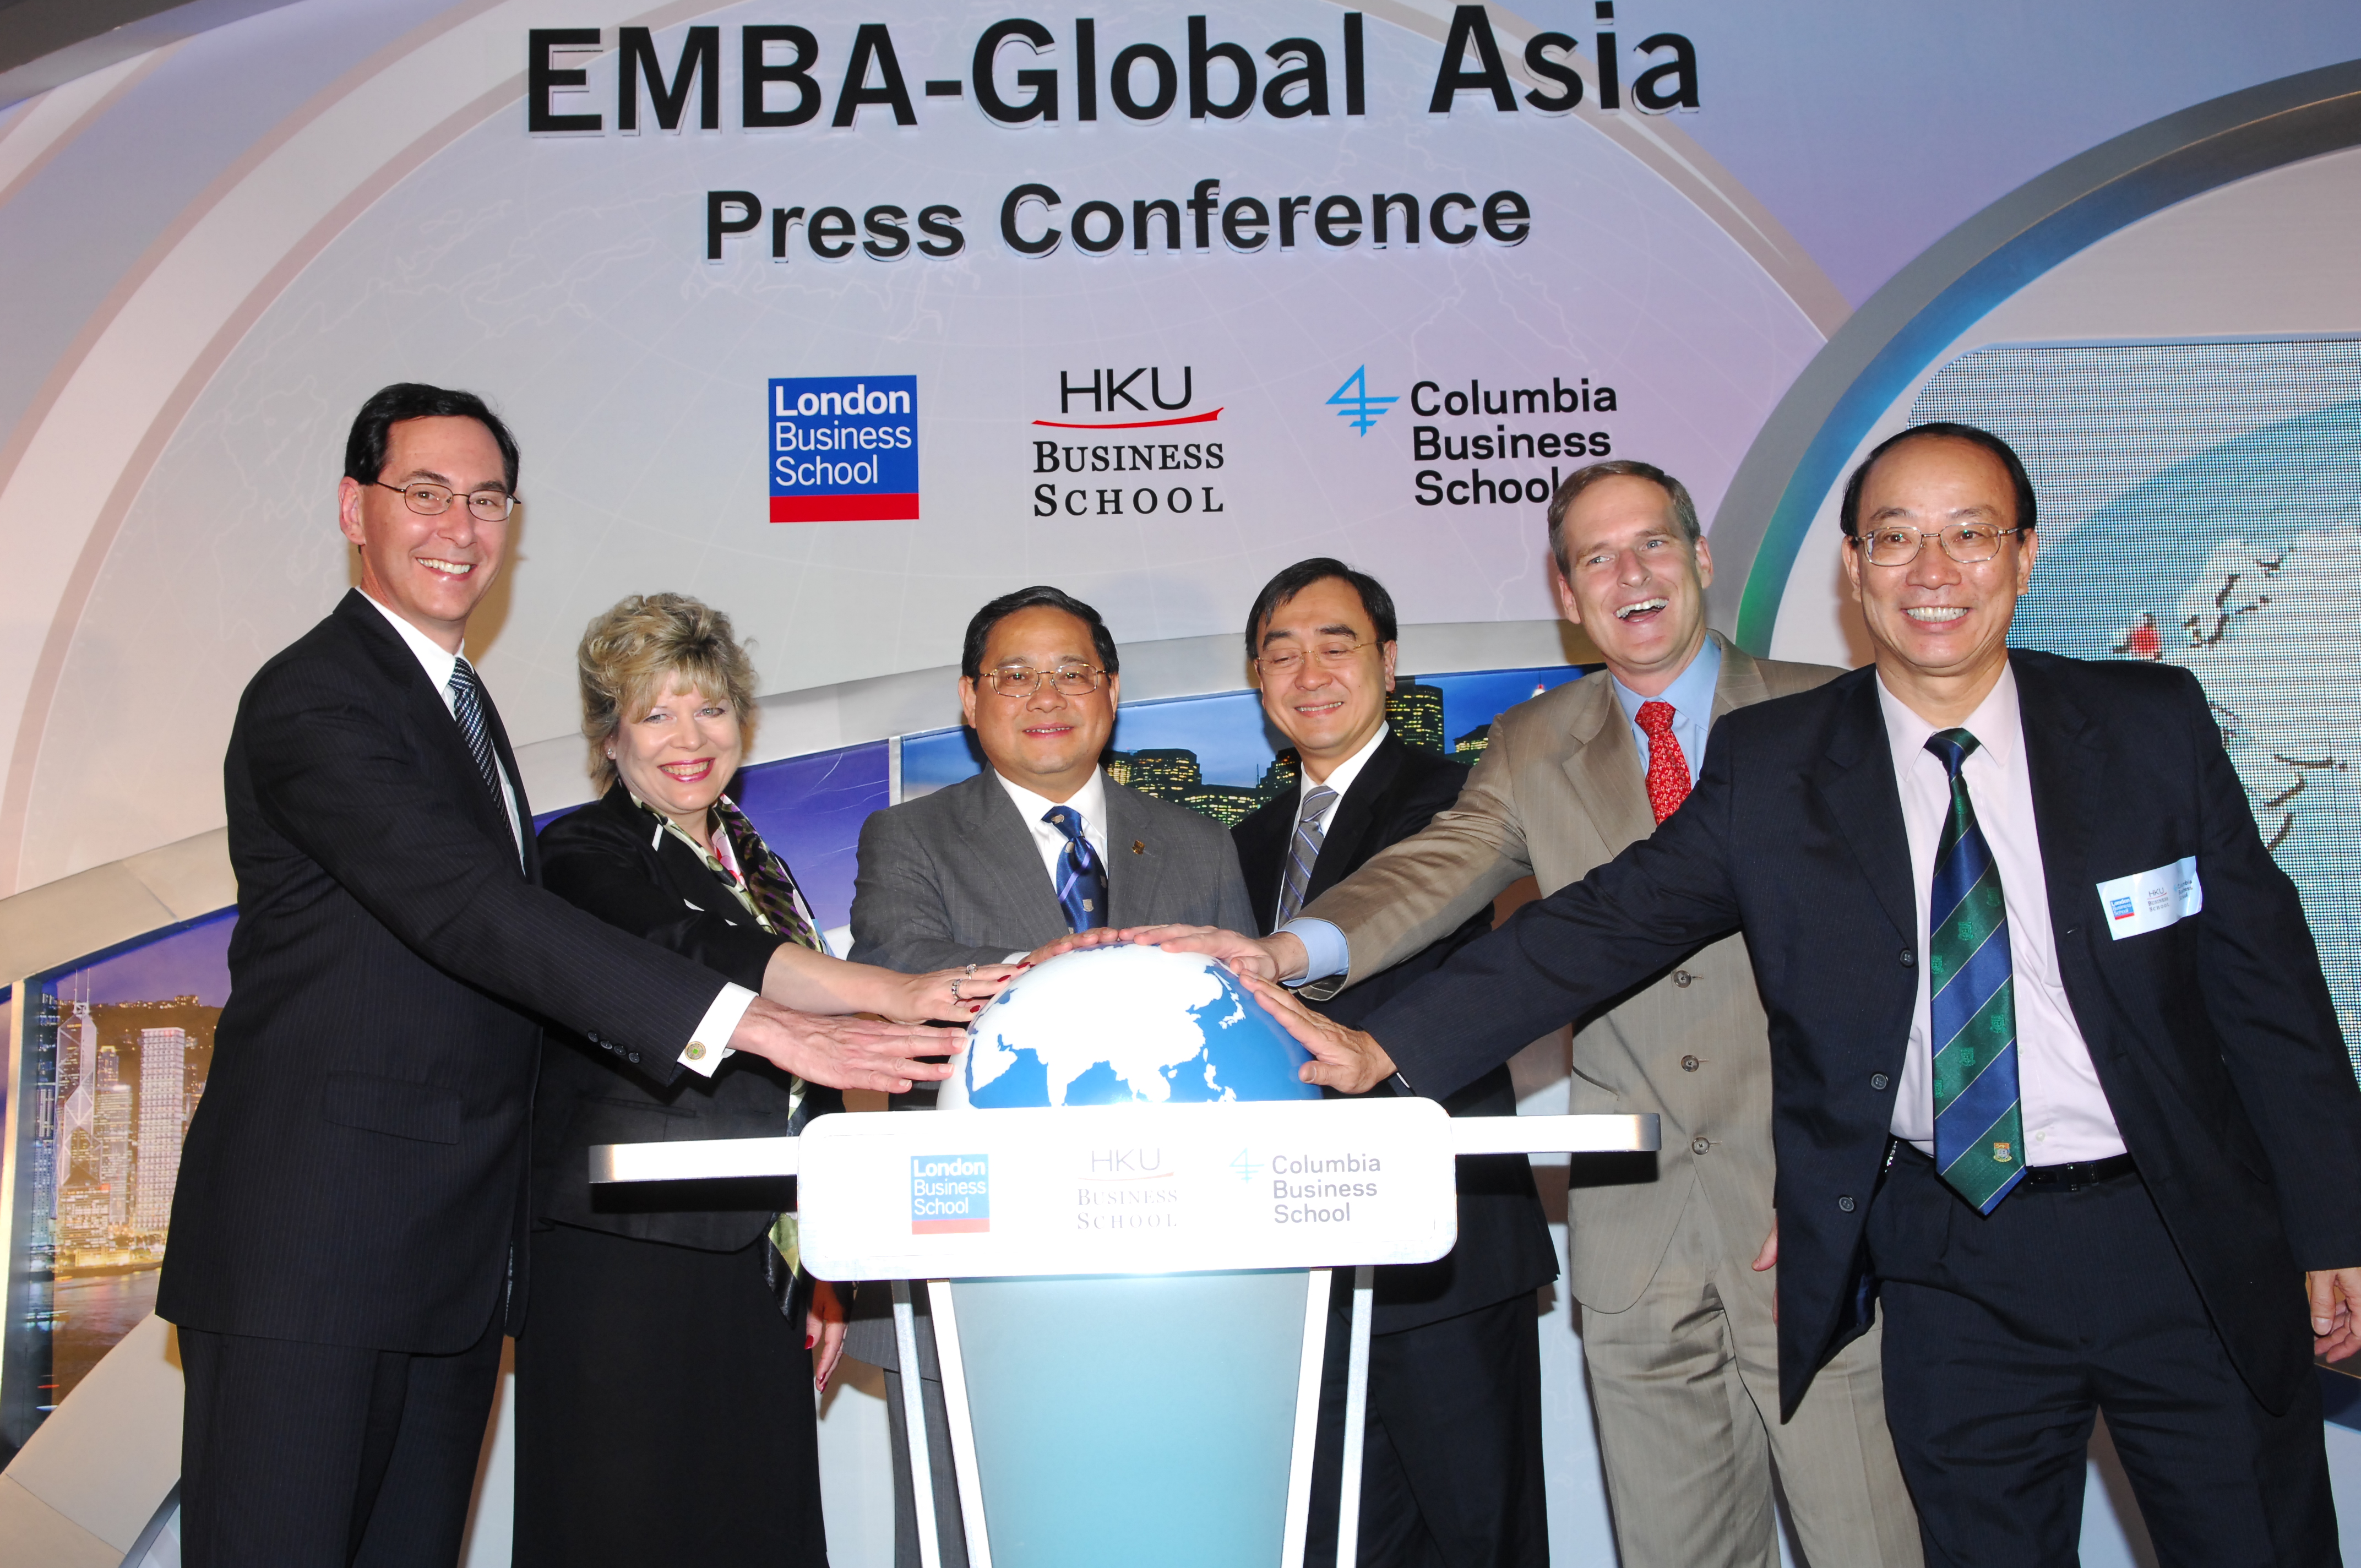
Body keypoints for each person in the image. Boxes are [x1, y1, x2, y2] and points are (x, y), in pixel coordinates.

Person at [1242, 423, 2361, 1564]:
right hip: (1947, 1256)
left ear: (2023, 555)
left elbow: (2267, 992)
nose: (1932, 571)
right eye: (1895, 538)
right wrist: (1387, 1045)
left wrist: (2336, 1225)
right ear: (1853, 565)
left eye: (1969, 535)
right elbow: (1600, 922)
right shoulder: (1782, 760)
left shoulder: (2148, 725)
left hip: (2177, 1233)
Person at [160, 384, 964, 1567]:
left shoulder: (460, 706)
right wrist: (761, 1024)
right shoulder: (316, 693)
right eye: (424, 492)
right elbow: (470, 908)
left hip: (449, 1259)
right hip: (316, 1248)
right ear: (352, 508)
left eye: (486, 500)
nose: (459, 525)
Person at [1159, 466, 1916, 1567]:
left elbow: (1911, 957)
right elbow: (1435, 868)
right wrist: (1285, 950)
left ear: (1701, 558)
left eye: (1651, 545)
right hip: (1635, 1231)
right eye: (1595, 558)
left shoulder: (1838, 714)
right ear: (1566, 594)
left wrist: (1858, 1164)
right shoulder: (1529, 743)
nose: (1629, 575)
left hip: (1807, 1205)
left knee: (1870, 1542)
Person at [513, 593, 1018, 1566]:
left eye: (710, 708)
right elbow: (698, 953)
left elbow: (806, 1082)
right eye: (655, 714)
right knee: (621, 1529)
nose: (689, 739)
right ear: (610, 737)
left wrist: (822, 1259)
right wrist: (894, 992)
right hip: (624, 1258)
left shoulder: (758, 865)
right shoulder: (580, 855)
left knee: (756, 1526)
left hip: (757, 1261)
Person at [846, 582, 1256, 1568]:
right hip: (980, 1249)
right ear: (970, 698)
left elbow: (1245, 1031)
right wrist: (1073, 972)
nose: (1047, 695)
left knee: (1176, 1526)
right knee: (968, 1533)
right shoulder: (908, 836)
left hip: (1181, 1258)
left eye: (1073, 672)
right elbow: (904, 973)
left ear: (1111, 692)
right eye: (1016, 675)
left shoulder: (1199, 842)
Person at [1231, 559, 1559, 1568]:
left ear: (1389, 661)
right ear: (1257, 679)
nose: (1310, 673)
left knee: (1480, 1536)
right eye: (1282, 653)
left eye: (1337, 646)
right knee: (1338, 1541)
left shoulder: (1464, 803)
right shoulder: (1240, 844)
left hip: (1441, 1245)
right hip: (1295, 1252)